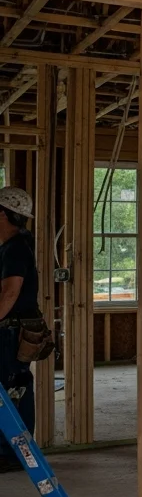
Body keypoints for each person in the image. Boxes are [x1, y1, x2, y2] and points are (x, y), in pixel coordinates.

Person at [0, 187, 40, 472]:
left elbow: (10, 293)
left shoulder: (15, 249)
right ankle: (16, 452)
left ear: (3, 214)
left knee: (13, 388)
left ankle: (12, 454)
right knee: (18, 386)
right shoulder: (17, 243)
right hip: (15, 330)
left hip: (11, 332)